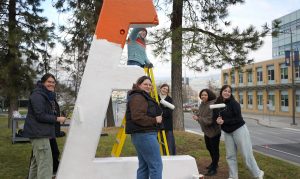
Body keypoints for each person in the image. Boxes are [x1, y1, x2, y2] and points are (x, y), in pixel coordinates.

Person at [213, 85, 264, 179]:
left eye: (229, 91)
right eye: (225, 90)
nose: (227, 93)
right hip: (227, 132)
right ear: (221, 92)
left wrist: (225, 121)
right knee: (230, 155)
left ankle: (258, 173)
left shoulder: (234, 103)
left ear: (230, 93)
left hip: (239, 129)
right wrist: (217, 120)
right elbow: (215, 117)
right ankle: (233, 176)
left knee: (246, 154)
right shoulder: (217, 104)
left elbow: (238, 119)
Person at [23, 73, 66, 179]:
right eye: (49, 82)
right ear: (43, 82)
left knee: (36, 163)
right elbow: (40, 115)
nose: (51, 84)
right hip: (39, 134)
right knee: (45, 164)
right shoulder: (38, 95)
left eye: (53, 82)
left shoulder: (46, 95)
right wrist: (57, 119)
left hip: (41, 133)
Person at [125, 76, 163, 179]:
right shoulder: (138, 97)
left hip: (141, 135)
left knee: (144, 166)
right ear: (139, 85)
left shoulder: (141, 96)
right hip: (145, 135)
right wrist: (155, 120)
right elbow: (137, 117)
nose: (148, 86)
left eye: (150, 85)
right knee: (156, 165)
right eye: (145, 84)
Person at [192, 89, 221, 176]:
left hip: (214, 131)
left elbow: (209, 120)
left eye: (205, 95)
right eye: (202, 95)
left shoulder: (213, 104)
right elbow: (202, 116)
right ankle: (214, 163)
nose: (203, 96)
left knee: (214, 150)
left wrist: (198, 118)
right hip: (207, 131)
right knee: (209, 148)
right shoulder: (202, 104)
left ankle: (214, 168)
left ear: (209, 95)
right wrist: (197, 115)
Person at [158, 83, 176, 155]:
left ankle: (170, 155)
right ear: (161, 88)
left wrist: (161, 112)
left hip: (167, 124)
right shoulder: (155, 97)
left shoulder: (169, 99)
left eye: (167, 90)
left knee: (168, 142)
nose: (165, 90)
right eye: (164, 88)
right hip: (157, 123)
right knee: (158, 140)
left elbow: (169, 111)